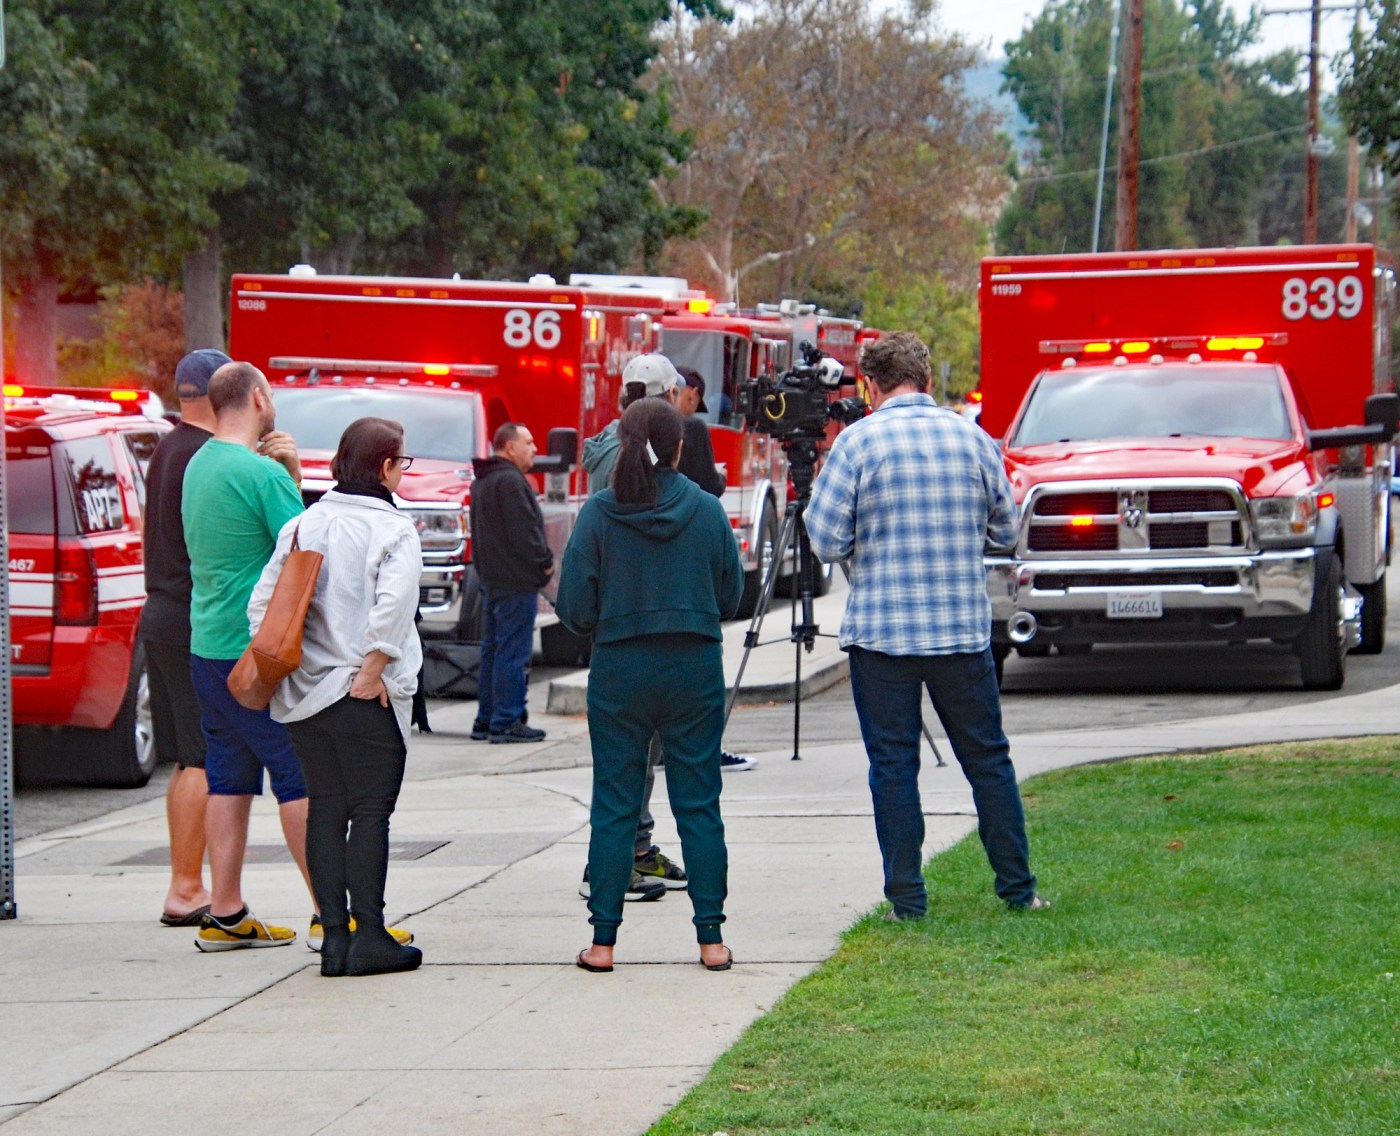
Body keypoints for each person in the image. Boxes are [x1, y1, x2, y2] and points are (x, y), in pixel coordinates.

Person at [803, 331, 1047, 921]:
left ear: (870, 385)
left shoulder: (856, 444)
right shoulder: (974, 439)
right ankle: (1018, 889)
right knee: (988, 759)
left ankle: (907, 901)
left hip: (883, 632)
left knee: (893, 766)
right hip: (960, 631)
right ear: (928, 380)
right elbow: (1005, 532)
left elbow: (825, 538)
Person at [558, 398, 744, 972]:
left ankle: (603, 942)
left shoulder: (598, 513)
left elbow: (572, 606)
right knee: (699, 802)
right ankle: (711, 941)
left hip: (620, 670)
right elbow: (731, 596)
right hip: (692, 668)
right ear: (680, 448)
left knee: (614, 804)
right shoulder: (708, 511)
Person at [250, 417, 423, 977]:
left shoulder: (303, 526)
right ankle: (370, 935)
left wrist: (296, 667)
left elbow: (262, 610)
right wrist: (372, 670)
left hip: (306, 698)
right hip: (365, 692)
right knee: (371, 813)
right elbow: (393, 611)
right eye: (404, 462)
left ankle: (334, 939)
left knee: (325, 807)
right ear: (385, 467)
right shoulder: (394, 531)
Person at [182, 361, 313, 950]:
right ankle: (332, 913)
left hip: (207, 642)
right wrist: (291, 473)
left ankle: (225, 911)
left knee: (229, 774)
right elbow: (307, 549)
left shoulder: (198, 464)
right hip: (258, 652)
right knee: (298, 774)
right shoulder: (261, 474)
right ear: (259, 398)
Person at [141, 349, 228, 927]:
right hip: (192, 616)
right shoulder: (204, 456)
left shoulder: (167, 449)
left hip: (162, 611)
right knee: (202, 757)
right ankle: (188, 887)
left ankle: (186, 883)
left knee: (185, 759)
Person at [469, 422, 554, 743]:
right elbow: (525, 533)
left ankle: (487, 718)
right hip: (515, 582)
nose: (534, 449)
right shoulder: (509, 482)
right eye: (529, 442)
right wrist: (545, 564)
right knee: (512, 653)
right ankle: (505, 720)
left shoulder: (484, 481)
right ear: (509, 447)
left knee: (494, 650)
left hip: (492, 580)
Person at [673, 367, 727, 497]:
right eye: (697, 405)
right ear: (693, 394)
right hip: (683, 510)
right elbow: (710, 487)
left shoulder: (644, 423)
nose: (692, 412)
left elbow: (651, 463)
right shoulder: (694, 427)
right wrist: (721, 476)